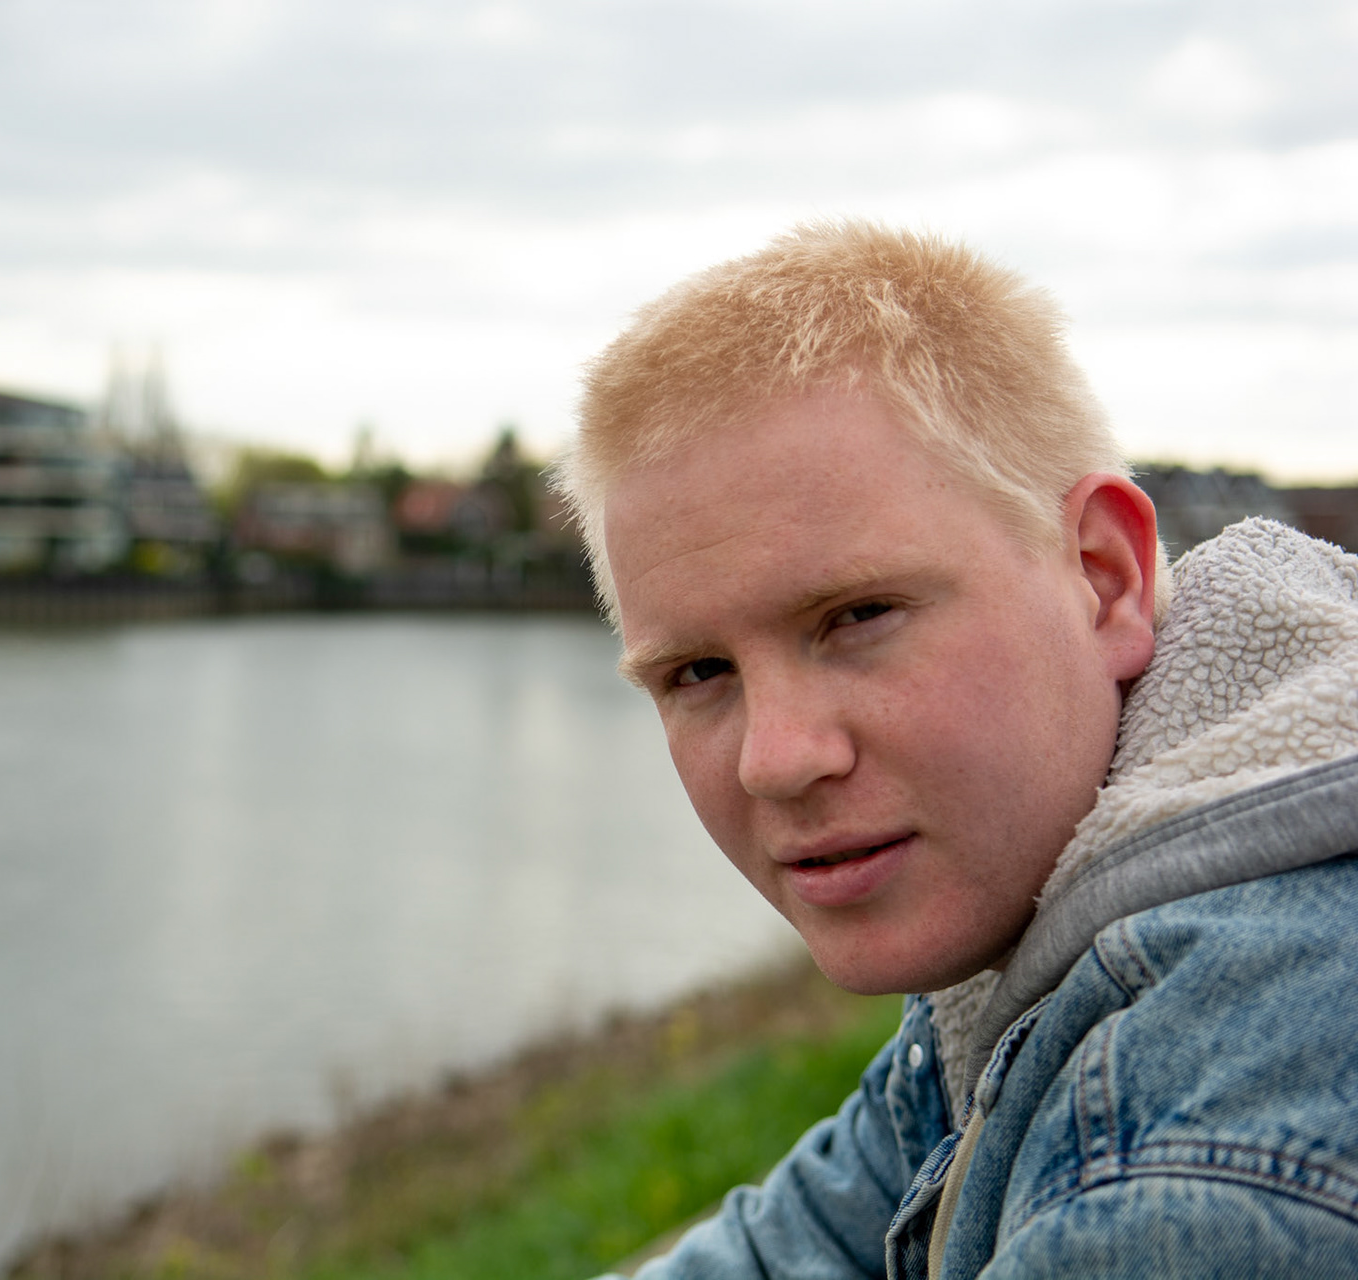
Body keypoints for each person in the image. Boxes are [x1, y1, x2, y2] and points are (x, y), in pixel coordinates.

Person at [555, 221, 1358, 1279]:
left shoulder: (1190, 1174)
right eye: (698, 672)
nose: (777, 758)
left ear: (1102, 575)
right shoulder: (1053, 911)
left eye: (859, 614)